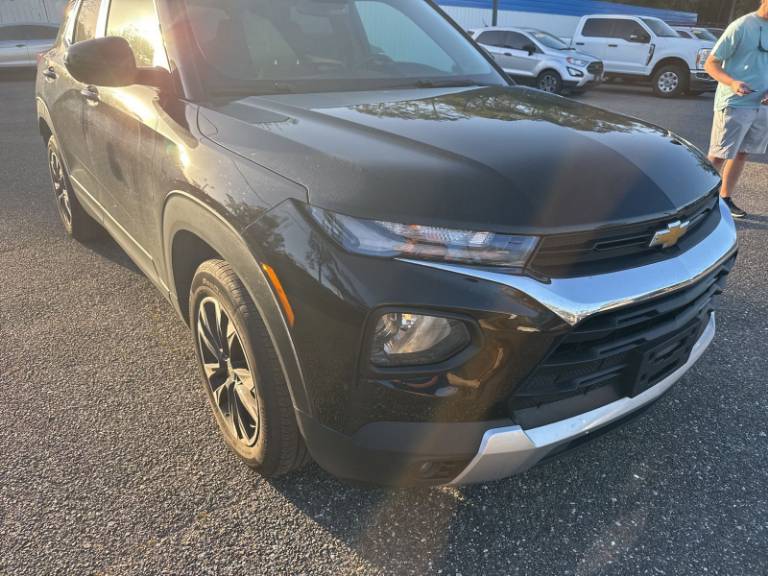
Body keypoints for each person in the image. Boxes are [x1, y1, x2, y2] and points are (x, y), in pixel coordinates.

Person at [704, 0, 768, 219]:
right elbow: (711, 63)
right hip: (734, 103)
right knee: (718, 155)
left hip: (762, 106)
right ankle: (700, 201)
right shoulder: (741, 26)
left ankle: (725, 198)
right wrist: (732, 83)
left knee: (741, 154)